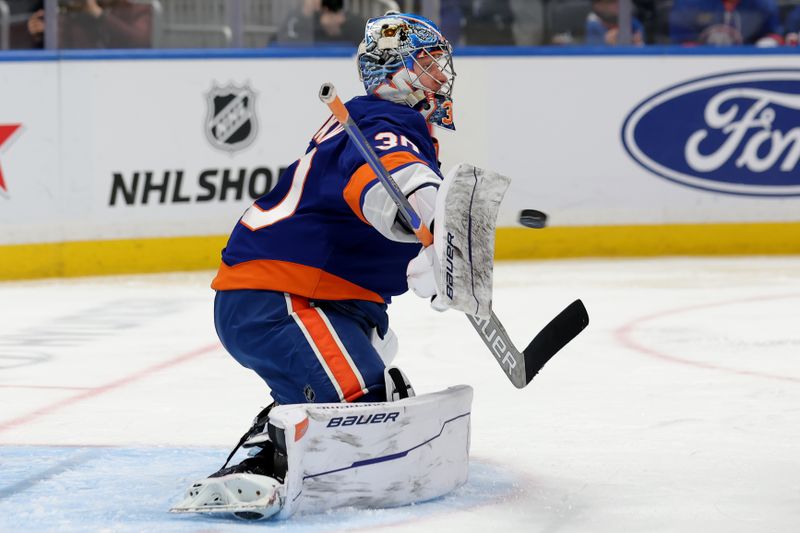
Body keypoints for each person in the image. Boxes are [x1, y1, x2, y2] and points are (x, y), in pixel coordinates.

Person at [173, 11, 473, 520]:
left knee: (377, 399)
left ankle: (284, 428)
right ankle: (261, 464)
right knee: (358, 414)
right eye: (427, 62)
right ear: (395, 70)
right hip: (282, 298)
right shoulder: (383, 122)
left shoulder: (374, 122)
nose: (440, 74)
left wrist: (429, 245)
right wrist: (430, 229)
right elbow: (384, 187)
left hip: (318, 299)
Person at [27, 0, 151, 49]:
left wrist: (100, 15)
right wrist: (43, 36)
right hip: (84, 79)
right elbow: (61, 53)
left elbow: (140, 40)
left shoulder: (138, 10)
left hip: (126, 76)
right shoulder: (76, 14)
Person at [669, 0, 783, 45]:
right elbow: (681, 42)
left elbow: (776, 35)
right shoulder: (689, 3)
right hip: (698, 68)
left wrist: (769, 42)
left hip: (746, 67)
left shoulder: (763, 4)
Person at [276, 0, 364, 46]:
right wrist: (305, 14)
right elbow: (286, 41)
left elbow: (365, 38)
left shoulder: (347, 19)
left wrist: (342, 26)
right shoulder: (295, 19)